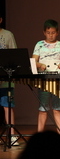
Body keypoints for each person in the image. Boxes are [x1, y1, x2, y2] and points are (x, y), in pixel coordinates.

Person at [32, 19, 60, 134]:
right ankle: (39, 134)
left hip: (57, 79)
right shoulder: (39, 44)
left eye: (53, 32)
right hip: (44, 79)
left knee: (57, 109)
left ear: (57, 32)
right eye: (48, 33)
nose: (51, 35)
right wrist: (40, 65)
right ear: (44, 32)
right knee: (43, 109)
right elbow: (33, 61)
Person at [0, 12, 19, 145]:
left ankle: (12, 135)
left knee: (8, 106)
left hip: (5, 79)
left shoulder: (7, 35)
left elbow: (14, 55)